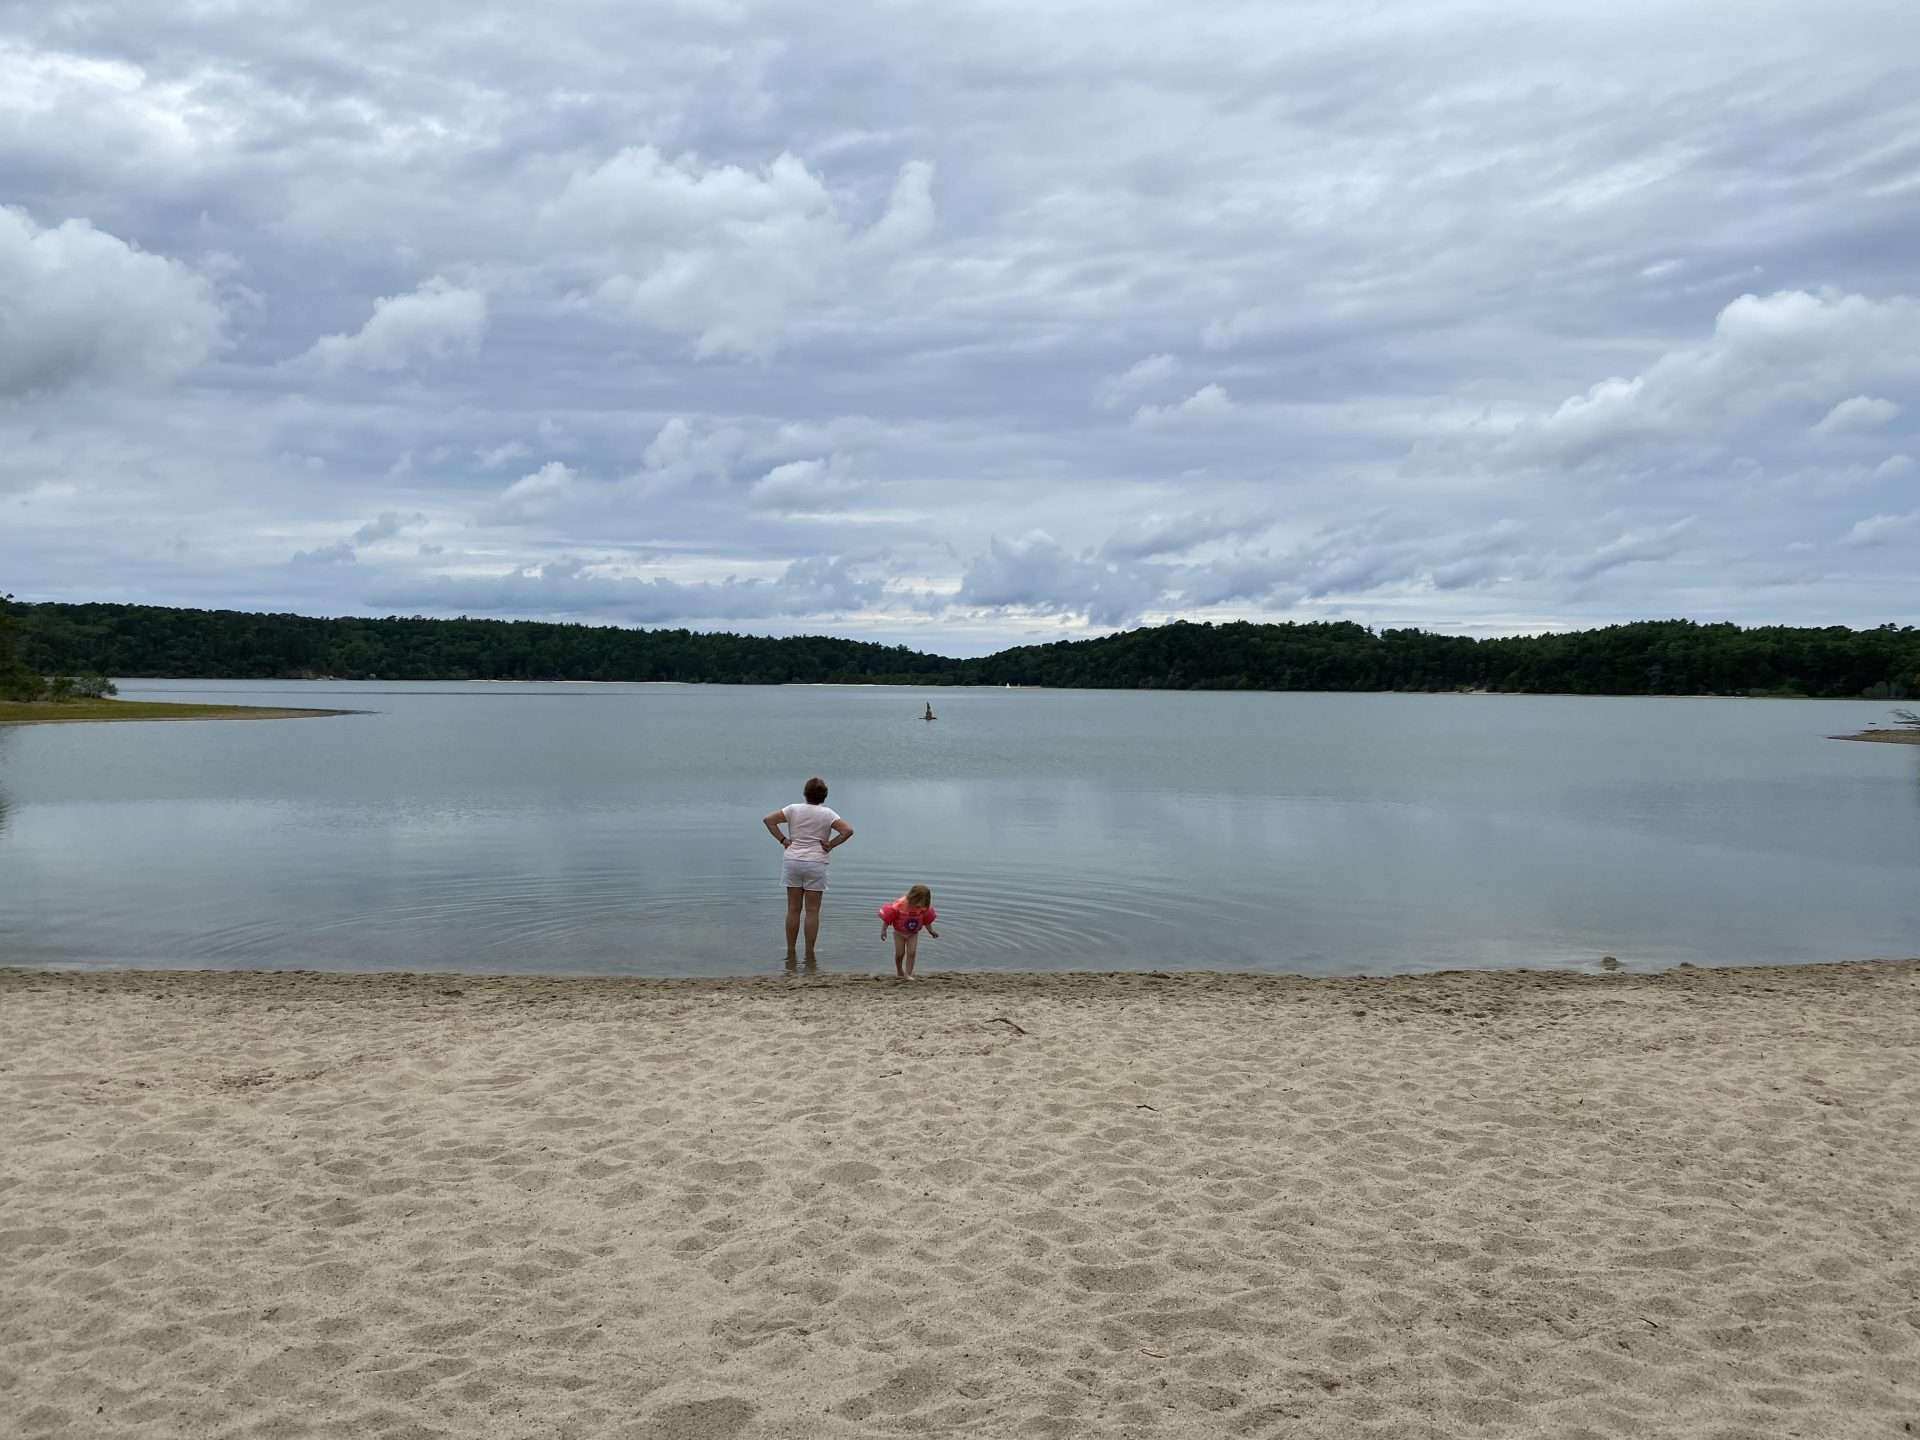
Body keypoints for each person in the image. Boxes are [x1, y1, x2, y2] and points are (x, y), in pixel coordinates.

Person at [763, 777, 853, 967]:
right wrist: (830, 845)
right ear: (824, 796)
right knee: (812, 911)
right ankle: (810, 953)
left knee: (793, 909)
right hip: (816, 863)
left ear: (805, 793)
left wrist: (783, 840)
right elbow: (847, 831)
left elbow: (769, 820)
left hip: (793, 861)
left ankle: (791, 951)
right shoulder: (828, 814)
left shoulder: (793, 809)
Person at [878, 884, 939, 979]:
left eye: (922, 903)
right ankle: (899, 970)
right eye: (918, 902)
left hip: (913, 934)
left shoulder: (923, 908)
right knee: (900, 954)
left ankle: (908, 974)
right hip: (899, 933)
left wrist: (931, 931)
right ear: (912, 897)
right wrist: (883, 930)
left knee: (912, 953)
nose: (919, 905)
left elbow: (926, 920)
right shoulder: (900, 905)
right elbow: (888, 918)